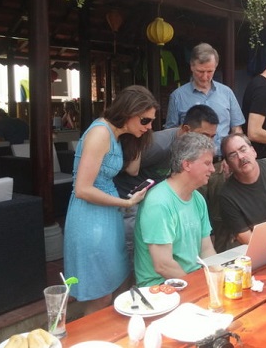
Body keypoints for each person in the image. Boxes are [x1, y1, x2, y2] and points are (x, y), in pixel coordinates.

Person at [64, 85, 159, 315]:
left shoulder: (116, 135)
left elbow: (134, 170)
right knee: (101, 294)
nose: (149, 127)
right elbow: (83, 189)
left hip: (106, 215)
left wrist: (136, 137)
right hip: (90, 216)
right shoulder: (101, 132)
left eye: (151, 122)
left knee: (119, 283)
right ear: (129, 112)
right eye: (145, 121)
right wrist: (126, 203)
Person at [165, 42, 245, 252]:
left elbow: (236, 130)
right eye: (201, 71)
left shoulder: (227, 93)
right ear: (191, 67)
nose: (205, 76)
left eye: (210, 71)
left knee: (222, 216)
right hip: (191, 168)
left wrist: (232, 158)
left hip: (221, 166)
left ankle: (218, 260)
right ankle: (195, 264)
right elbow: (172, 134)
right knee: (191, 218)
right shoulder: (178, 96)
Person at [114, 104, 219, 263]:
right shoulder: (159, 146)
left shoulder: (196, 198)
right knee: (133, 255)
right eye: (204, 135)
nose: (208, 141)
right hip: (131, 200)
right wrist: (128, 202)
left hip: (159, 199)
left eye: (212, 136)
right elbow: (122, 169)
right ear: (186, 129)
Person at [134, 132, 217, 286]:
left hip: (192, 278)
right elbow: (163, 265)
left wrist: (218, 277)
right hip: (162, 286)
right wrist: (198, 287)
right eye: (207, 163)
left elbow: (206, 249)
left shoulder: (198, 199)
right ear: (187, 165)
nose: (212, 169)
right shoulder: (159, 202)